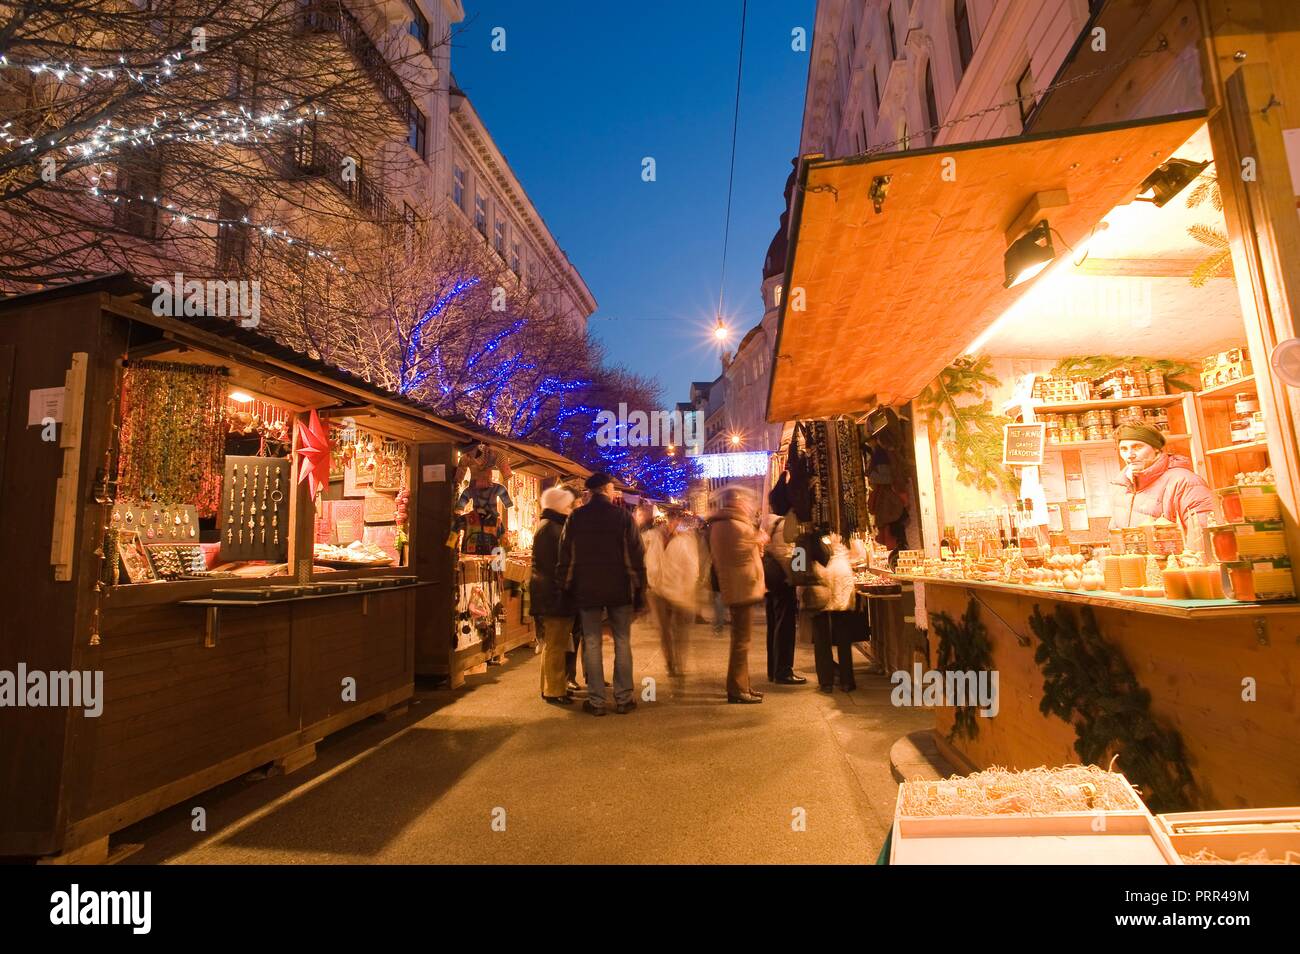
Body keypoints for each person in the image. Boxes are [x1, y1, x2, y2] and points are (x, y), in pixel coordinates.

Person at [556, 472, 646, 716]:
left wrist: (564, 587)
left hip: (587, 589)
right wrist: (640, 590)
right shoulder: (623, 517)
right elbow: (637, 555)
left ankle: (596, 701)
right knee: (622, 641)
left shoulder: (576, 518)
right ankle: (623, 698)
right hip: (619, 588)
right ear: (607, 489)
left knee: (592, 642)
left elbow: (565, 555)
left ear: (589, 492)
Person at [707, 486, 766, 704]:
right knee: (741, 641)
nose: (747, 505)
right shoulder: (731, 524)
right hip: (741, 587)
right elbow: (738, 553)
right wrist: (757, 539)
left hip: (741, 586)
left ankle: (743, 685)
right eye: (743, 501)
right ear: (735, 501)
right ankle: (737, 689)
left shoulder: (726, 523)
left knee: (743, 640)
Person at [1109, 423, 1216, 534]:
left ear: (1156, 448)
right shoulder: (1121, 486)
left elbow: (1205, 535)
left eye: (1138, 447)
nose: (1129, 455)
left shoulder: (1185, 482)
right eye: (1124, 449)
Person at [530, 485, 578, 706]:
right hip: (555, 595)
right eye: (568, 505)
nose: (571, 509)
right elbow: (559, 565)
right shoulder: (554, 529)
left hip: (547, 592)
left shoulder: (547, 526)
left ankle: (550, 686)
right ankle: (554, 690)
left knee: (552, 644)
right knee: (556, 644)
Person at [643, 508, 699, 677]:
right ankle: (671, 664)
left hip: (679, 591)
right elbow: (645, 558)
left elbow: (692, 566)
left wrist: (689, 588)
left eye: (676, 520)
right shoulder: (651, 537)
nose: (673, 523)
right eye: (670, 519)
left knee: (680, 631)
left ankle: (679, 663)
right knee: (665, 630)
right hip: (657, 591)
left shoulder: (686, 540)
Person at [762, 513, 807, 685]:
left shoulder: (769, 522)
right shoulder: (784, 524)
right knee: (785, 625)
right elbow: (786, 554)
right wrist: (794, 578)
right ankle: (783, 671)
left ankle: (773, 669)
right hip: (783, 580)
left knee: (774, 624)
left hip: (771, 580)